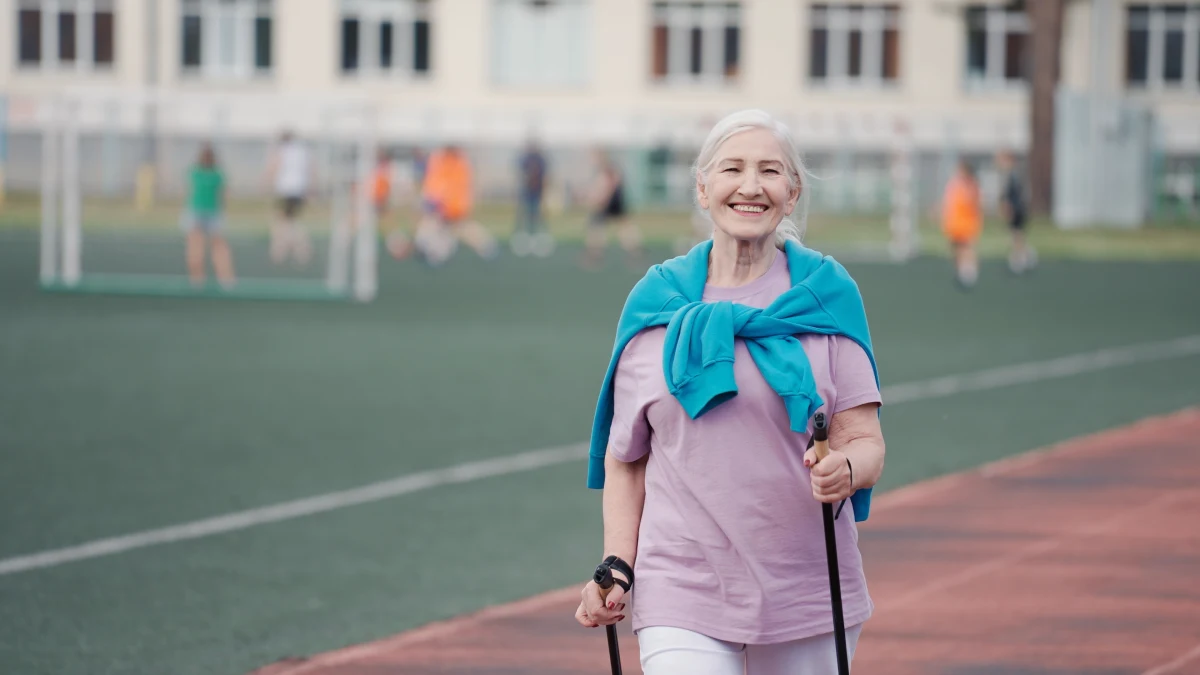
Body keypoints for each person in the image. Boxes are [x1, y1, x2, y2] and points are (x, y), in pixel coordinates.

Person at [574, 109, 887, 675]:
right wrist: (617, 561)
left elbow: (865, 441)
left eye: (769, 172)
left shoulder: (824, 297)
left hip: (806, 589)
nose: (750, 186)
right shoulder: (657, 307)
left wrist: (846, 466)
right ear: (702, 188)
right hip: (681, 585)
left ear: (791, 195)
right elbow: (627, 460)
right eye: (732, 169)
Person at [414, 143, 497, 265]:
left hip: (452, 208)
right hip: (441, 207)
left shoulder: (460, 162)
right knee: (433, 232)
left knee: (461, 230)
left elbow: (458, 187)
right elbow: (433, 184)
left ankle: (487, 248)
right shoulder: (439, 159)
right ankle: (435, 253)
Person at [182, 143, 235, 288]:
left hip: (199, 212)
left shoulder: (195, 172)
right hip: (211, 212)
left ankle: (198, 279)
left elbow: (189, 192)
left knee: (197, 247)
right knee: (215, 247)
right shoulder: (217, 174)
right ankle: (225, 279)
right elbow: (224, 195)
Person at [580, 149, 641, 269]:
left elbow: (607, 187)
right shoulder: (609, 169)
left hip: (611, 201)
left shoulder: (606, 170)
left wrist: (601, 200)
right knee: (620, 227)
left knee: (597, 226)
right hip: (614, 200)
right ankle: (635, 252)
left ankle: (595, 254)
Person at [266, 130, 315, 265]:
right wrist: (310, 188)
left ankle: (282, 249)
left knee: (283, 220)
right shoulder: (302, 151)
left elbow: (275, 166)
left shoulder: (283, 150)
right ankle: (299, 249)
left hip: (285, 189)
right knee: (291, 219)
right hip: (299, 189)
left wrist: (267, 181)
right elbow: (310, 168)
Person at [940, 159, 983, 289]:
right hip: (954, 222)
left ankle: (969, 273)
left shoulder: (972, 185)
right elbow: (948, 203)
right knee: (955, 249)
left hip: (968, 221)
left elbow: (976, 203)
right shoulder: (954, 184)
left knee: (967, 248)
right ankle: (960, 272)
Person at [512, 140, 554, 258]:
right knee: (523, 218)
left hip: (537, 193)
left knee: (538, 218)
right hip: (527, 192)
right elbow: (521, 173)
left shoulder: (541, 160)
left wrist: (544, 192)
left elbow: (545, 176)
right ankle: (521, 241)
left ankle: (541, 241)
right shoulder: (526, 158)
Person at [996, 150, 1035, 274]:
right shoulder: (1013, 174)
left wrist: (1009, 208)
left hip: (1017, 209)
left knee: (1016, 235)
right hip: (1018, 209)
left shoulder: (1013, 175)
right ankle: (1024, 256)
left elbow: (1012, 195)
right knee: (1017, 235)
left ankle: (1021, 259)